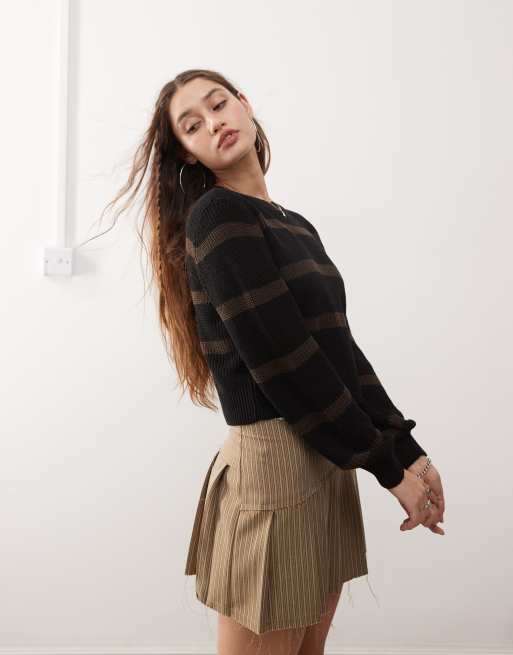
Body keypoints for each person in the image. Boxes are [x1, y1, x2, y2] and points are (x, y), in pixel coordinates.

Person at [104, 68, 445, 654]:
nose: (213, 123)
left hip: (331, 454)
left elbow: (340, 352)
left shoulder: (295, 225)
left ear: (244, 103)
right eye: (192, 125)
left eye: (218, 104)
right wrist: (389, 469)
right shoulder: (217, 216)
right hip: (277, 463)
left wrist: (408, 449)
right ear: (187, 153)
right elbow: (284, 361)